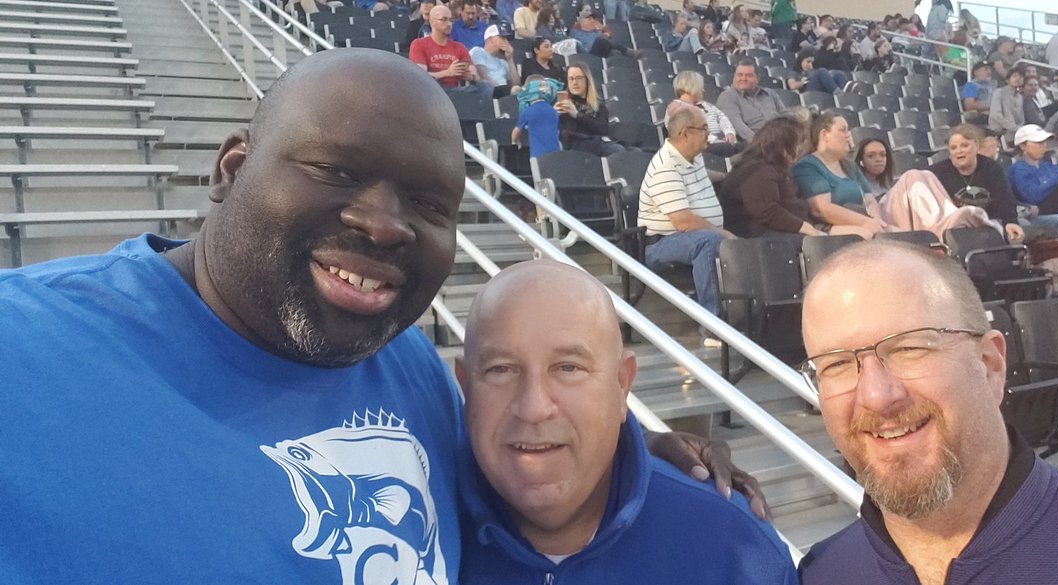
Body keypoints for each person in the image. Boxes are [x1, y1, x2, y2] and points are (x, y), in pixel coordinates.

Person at [0, 48, 770, 585]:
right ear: (231, 170)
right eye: (335, 169)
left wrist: (629, 450)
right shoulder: (26, 355)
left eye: (430, 204)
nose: (384, 223)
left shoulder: (409, 374)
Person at [799, 240, 1058, 584]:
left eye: (908, 348)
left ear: (990, 364)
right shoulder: (821, 573)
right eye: (835, 365)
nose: (876, 395)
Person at [456, 260, 799, 583]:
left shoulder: (734, 549)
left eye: (568, 368)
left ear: (622, 385)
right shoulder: (419, 527)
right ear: (466, 387)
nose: (533, 407)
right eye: (500, 369)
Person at [637, 102, 733, 337]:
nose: (709, 134)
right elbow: (683, 222)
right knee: (708, 241)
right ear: (685, 133)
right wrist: (727, 235)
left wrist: (728, 177)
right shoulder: (665, 166)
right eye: (704, 129)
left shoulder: (692, 156)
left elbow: (700, 175)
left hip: (689, 237)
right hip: (661, 244)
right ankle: (711, 324)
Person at [718, 116, 842, 243]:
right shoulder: (757, 170)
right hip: (759, 237)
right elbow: (767, 212)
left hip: (786, 231)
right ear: (783, 145)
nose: (800, 149)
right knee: (820, 244)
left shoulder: (776, 168)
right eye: (797, 143)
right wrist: (807, 229)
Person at [855, 138, 999, 238]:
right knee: (912, 176)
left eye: (883, 155)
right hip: (881, 222)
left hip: (899, 219)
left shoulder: (887, 185)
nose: (879, 159)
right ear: (861, 161)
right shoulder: (857, 186)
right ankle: (944, 224)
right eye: (871, 156)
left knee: (926, 174)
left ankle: (948, 218)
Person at [930, 124, 1039, 240]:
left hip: (990, 224)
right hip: (956, 230)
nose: (959, 151)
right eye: (953, 148)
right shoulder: (937, 172)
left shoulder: (992, 168)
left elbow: (1005, 199)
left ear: (976, 146)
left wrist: (1010, 222)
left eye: (964, 145)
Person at [793, 112, 884, 237]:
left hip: (862, 222)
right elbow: (820, 210)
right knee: (865, 235)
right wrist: (864, 222)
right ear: (824, 135)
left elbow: (870, 202)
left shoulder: (850, 166)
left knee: (897, 235)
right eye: (843, 130)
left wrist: (877, 222)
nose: (848, 135)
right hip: (826, 228)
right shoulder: (808, 166)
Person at [410, 5, 493, 96]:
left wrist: (471, 76)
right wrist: (447, 73)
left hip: (456, 91)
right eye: (444, 20)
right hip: (433, 92)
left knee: (485, 86)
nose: (449, 24)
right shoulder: (419, 44)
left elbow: (475, 74)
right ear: (432, 22)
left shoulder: (459, 47)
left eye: (450, 20)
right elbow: (419, 77)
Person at [556, 62, 624, 156]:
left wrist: (577, 115)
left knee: (634, 152)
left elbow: (603, 128)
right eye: (571, 79)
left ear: (587, 80)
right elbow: (564, 134)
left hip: (596, 144)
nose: (574, 82)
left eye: (579, 78)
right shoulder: (564, 103)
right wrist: (553, 116)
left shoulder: (597, 104)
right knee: (617, 151)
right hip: (578, 147)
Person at [671, 70, 739, 157]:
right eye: (700, 87)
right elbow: (692, 133)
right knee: (727, 149)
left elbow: (722, 118)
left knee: (747, 148)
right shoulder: (677, 109)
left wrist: (729, 132)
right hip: (701, 146)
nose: (703, 90)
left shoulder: (707, 105)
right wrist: (716, 140)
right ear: (690, 88)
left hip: (721, 142)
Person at [716, 60, 787, 142]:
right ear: (734, 77)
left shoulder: (770, 94)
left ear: (758, 78)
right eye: (739, 75)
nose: (743, 79)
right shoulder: (727, 97)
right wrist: (761, 144)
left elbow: (786, 118)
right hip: (757, 145)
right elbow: (740, 128)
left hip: (783, 140)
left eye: (749, 76)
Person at [512, 75, 561, 158]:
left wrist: (515, 141)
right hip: (555, 154)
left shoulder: (527, 111)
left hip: (537, 155)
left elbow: (516, 133)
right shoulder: (553, 111)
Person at [470, 24, 521, 98]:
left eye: (506, 38)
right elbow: (483, 76)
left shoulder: (503, 62)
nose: (506, 41)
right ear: (490, 39)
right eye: (502, 37)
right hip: (488, 94)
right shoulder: (478, 51)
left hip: (505, 94)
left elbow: (516, 83)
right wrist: (503, 91)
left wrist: (510, 59)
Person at [988, 68, 1026, 142]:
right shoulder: (999, 92)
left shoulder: (1020, 97)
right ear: (1007, 80)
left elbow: (1021, 117)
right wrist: (1013, 127)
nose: (1018, 78)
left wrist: (1020, 128)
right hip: (1000, 129)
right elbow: (995, 115)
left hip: (1016, 130)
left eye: (1021, 77)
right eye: (1015, 76)